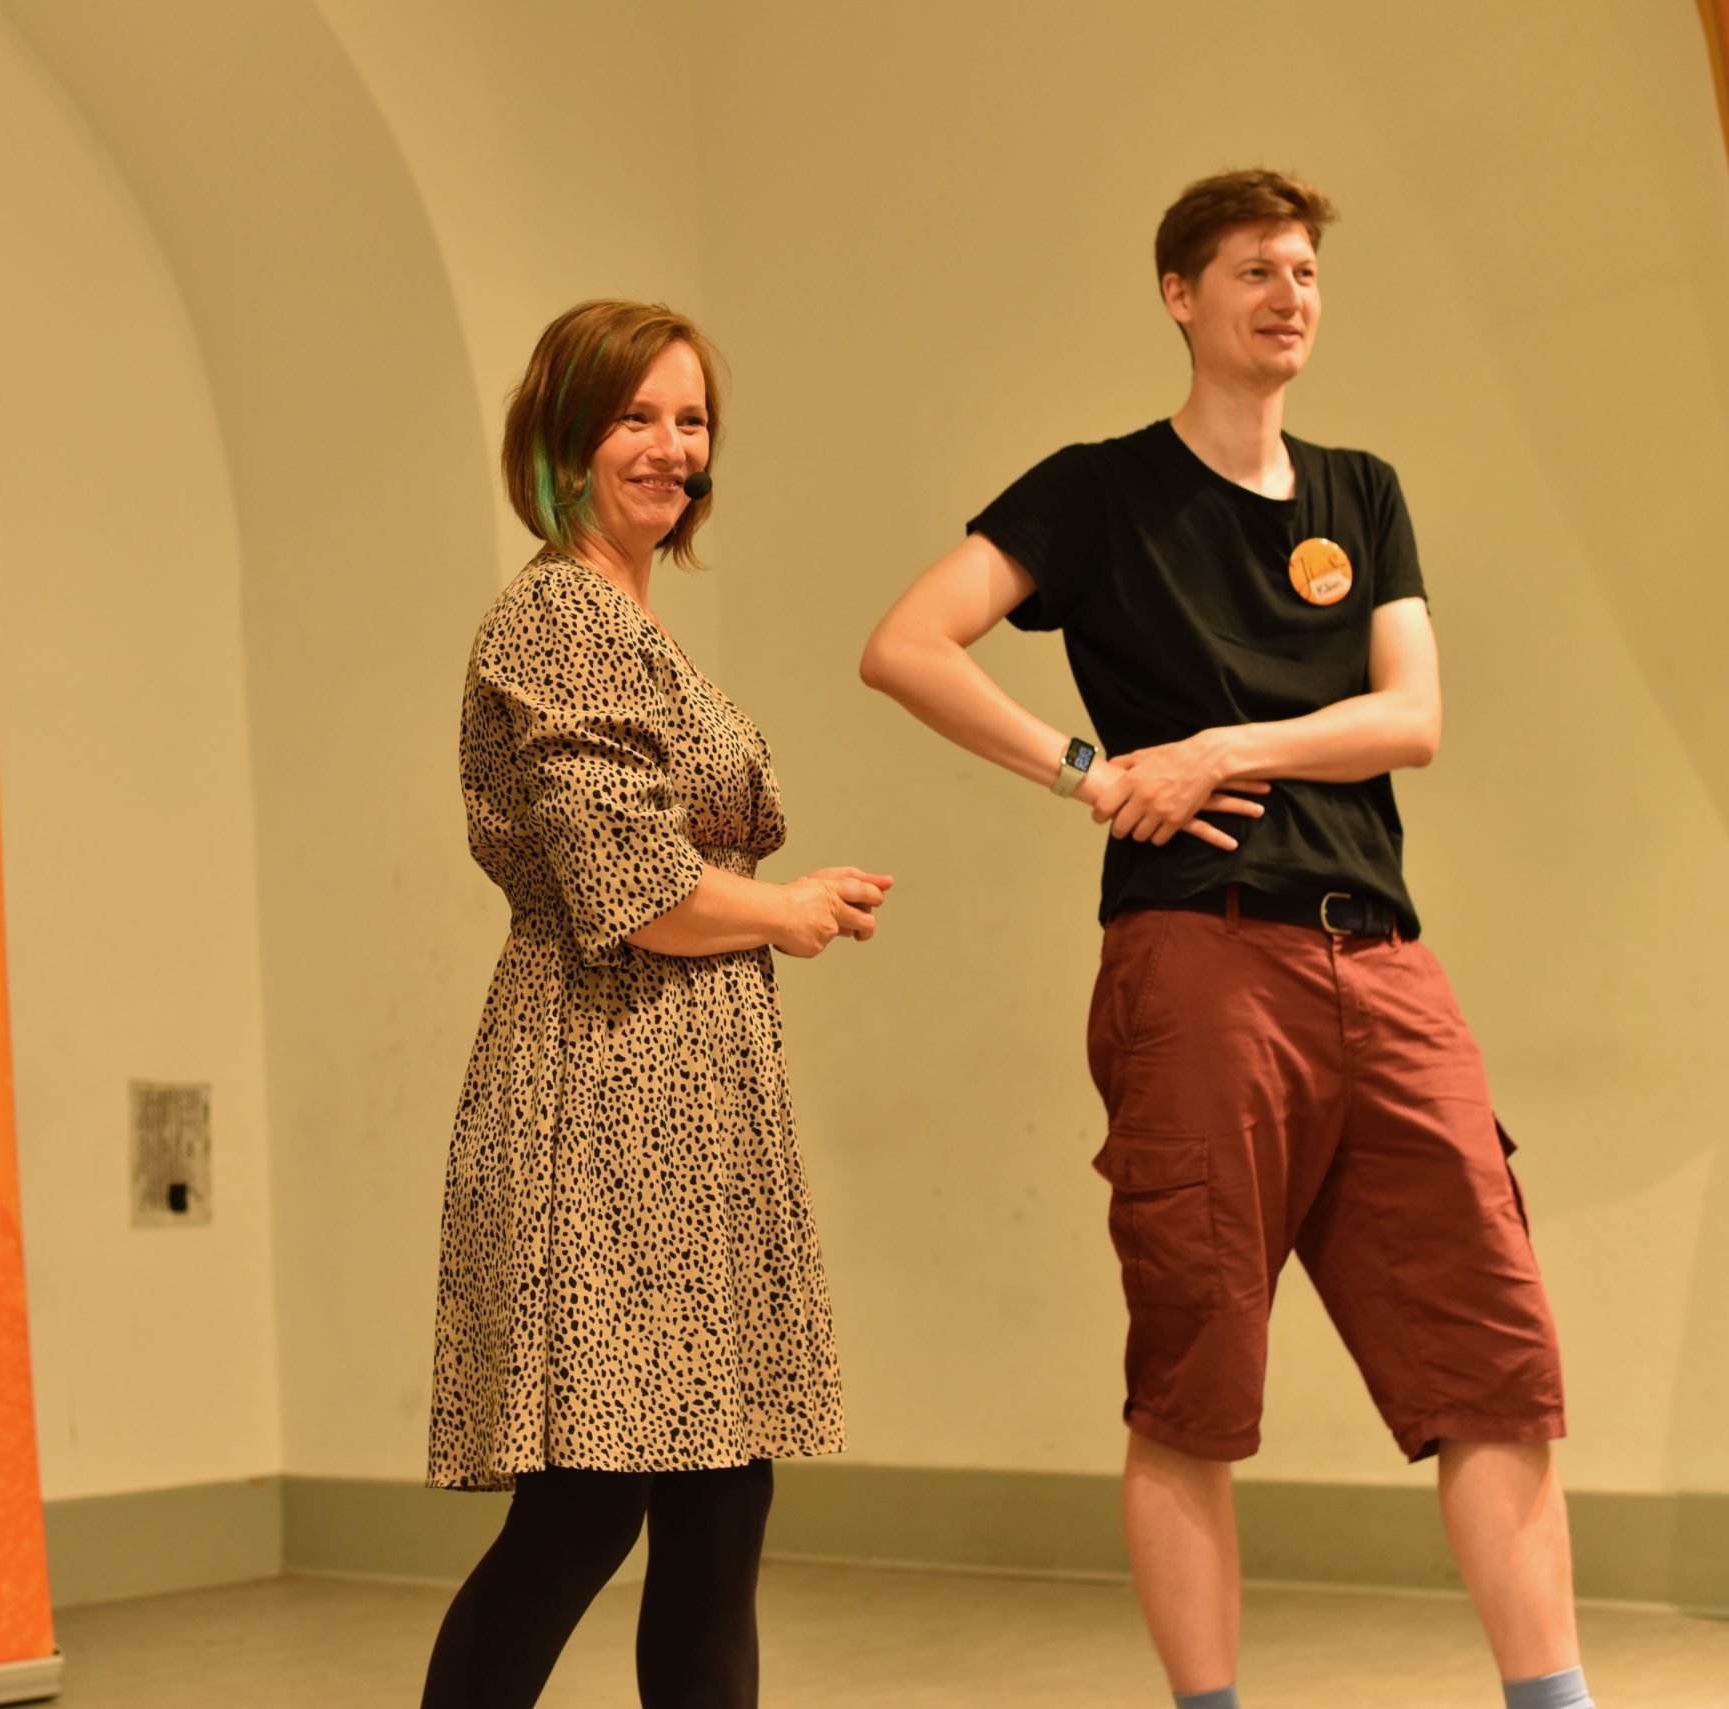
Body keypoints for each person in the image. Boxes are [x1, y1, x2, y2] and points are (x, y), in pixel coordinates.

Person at [858, 170, 1593, 1709]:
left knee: (1498, 1361)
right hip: (1198, 955)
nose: (1288, 295)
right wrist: (1085, 769)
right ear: (1179, 296)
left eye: (1305, 270)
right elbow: (907, 643)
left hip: (1382, 959)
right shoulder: (1098, 489)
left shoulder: (1359, 492)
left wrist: (1219, 749)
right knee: (1195, 1374)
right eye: (1254, 269)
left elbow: (1412, 716)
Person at [421, 298, 891, 1709]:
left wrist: (775, 899)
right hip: (604, 1091)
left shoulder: (629, 616)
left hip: (688, 1098)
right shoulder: (559, 615)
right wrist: (785, 909)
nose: (672, 448)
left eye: (692, 422)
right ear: (564, 435)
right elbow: (628, 885)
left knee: (720, 1495)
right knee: (585, 1503)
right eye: (637, 416)